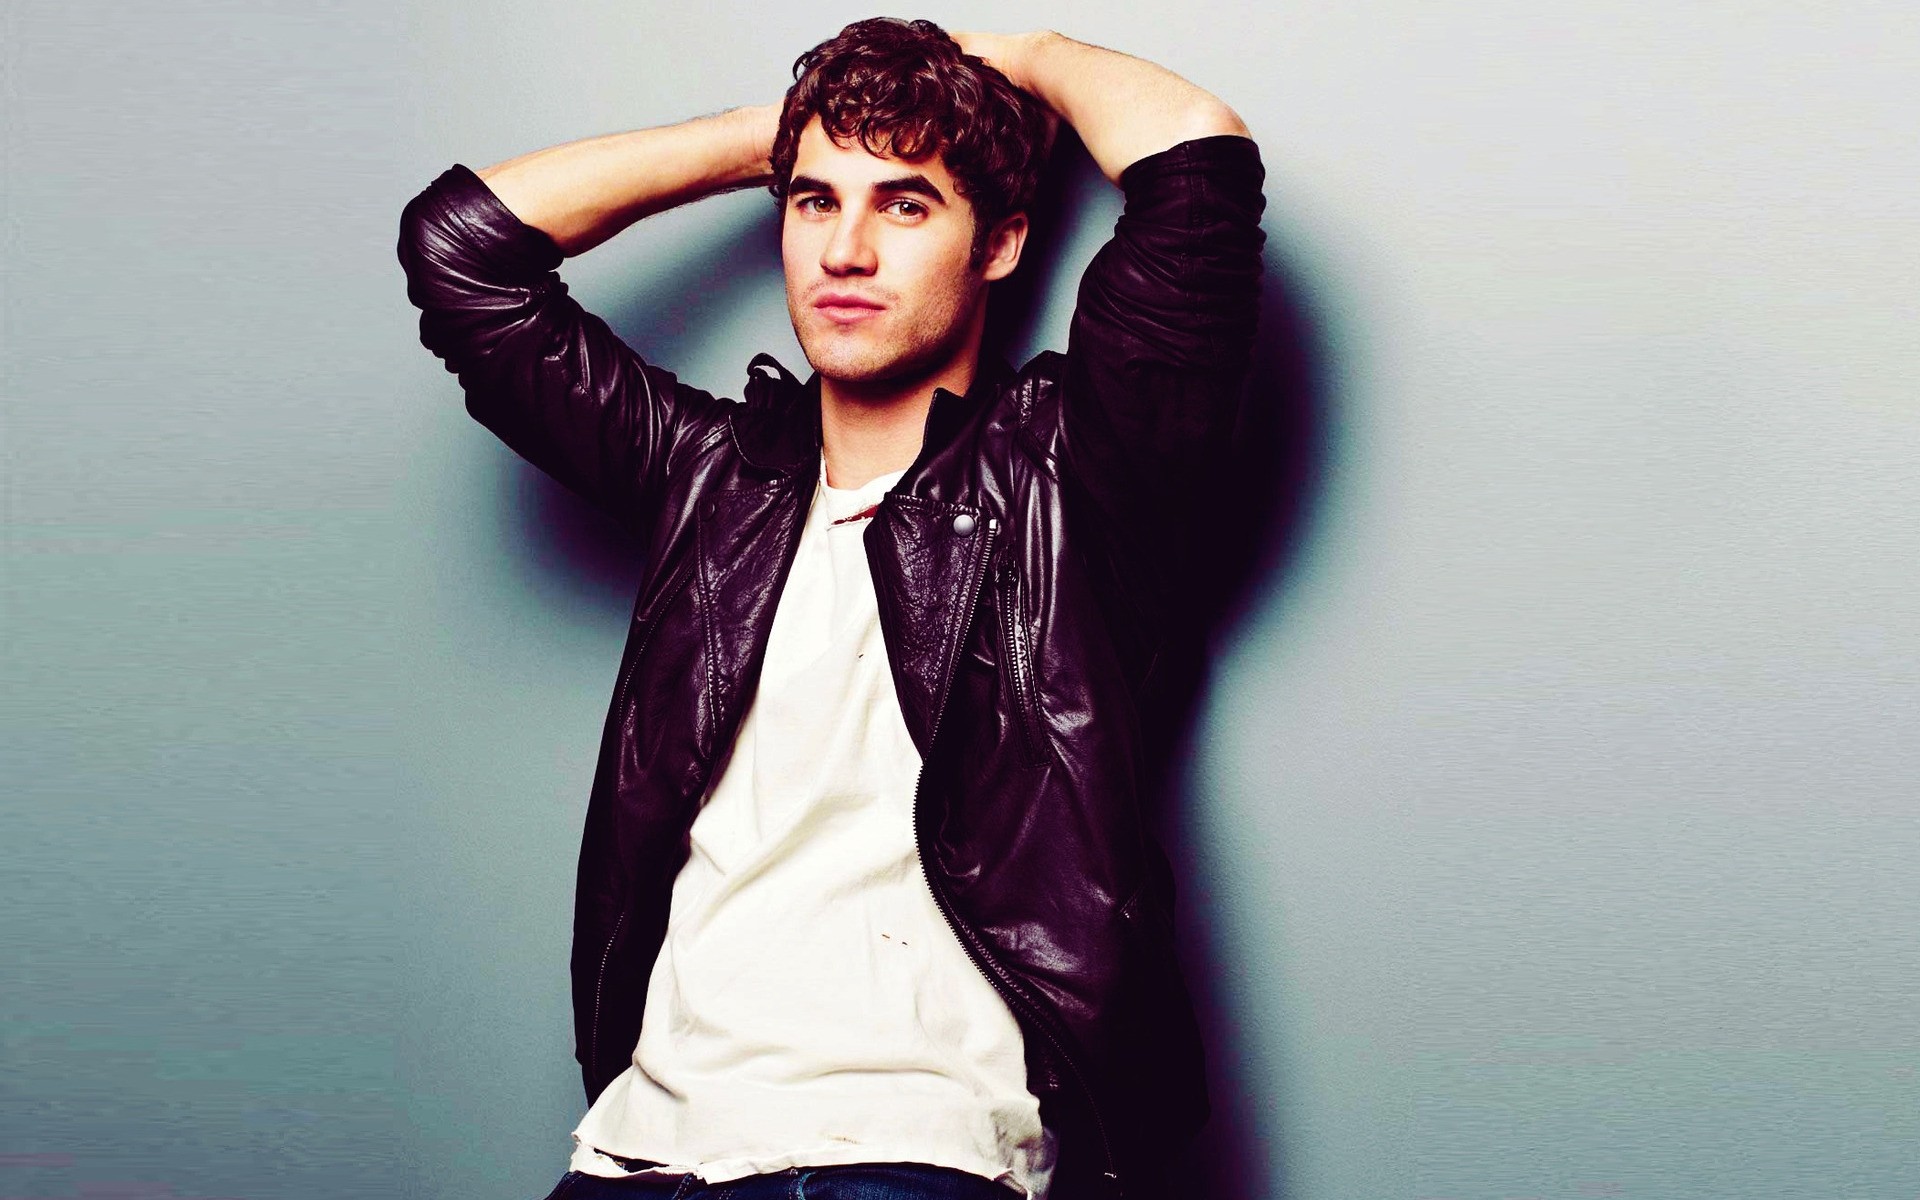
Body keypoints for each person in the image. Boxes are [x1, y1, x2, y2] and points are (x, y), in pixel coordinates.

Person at [397, 18, 1264, 1200]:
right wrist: (792, 133)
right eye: (814, 203)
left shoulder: (1074, 482)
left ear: (1001, 242)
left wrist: (1018, 58)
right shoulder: (708, 483)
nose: (845, 250)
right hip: (637, 1155)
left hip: (910, 1156)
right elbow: (462, 252)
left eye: (905, 205)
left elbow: (1197, 160)